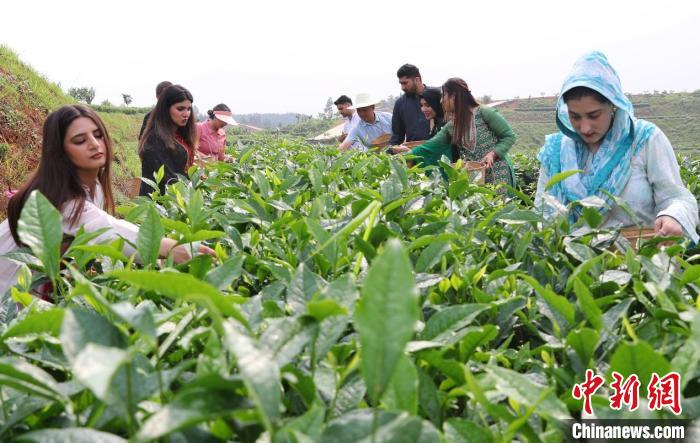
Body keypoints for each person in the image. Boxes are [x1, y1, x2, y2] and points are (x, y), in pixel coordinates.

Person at [0, 105, 215, 297]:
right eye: (80, 141)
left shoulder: (95, 186)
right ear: (60, 152)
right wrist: (171, 248)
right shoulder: (60, 199)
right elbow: (107, 229)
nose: (94, 144)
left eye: (98, 135)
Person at [535, 51, 699, 241]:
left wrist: (672, 215)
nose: (585, 128)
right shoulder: (555, 152)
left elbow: (677, 197)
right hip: (574, 263)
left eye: (594, 115)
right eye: (575, 117)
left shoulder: (643, 139)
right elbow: (542, 215)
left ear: (613, 105)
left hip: (640, 261)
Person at [395, 78, 516, 187]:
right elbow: (429, 147)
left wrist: (493, 154)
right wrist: (405, 156)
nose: (441, 101)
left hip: (499, 171)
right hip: (476, 177)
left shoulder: (484, 112)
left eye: (444, 96)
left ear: (454, 96)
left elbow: (509, 136)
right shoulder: (451, 126)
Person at [139, 84, 197, 196]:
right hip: (160, 203)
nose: (186, 114)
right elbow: (169, 180)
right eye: (180, 109)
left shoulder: (180, 134)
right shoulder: (154, 140)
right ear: (165, 109)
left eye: (189, 109)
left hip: (178, 199)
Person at [389, 64, 431, 145]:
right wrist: (388, 151)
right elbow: (397, 136)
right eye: (401, 83)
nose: (402, 87)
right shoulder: (400, 104)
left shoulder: (435, 97)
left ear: (417, 80)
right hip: (412, 152)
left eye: (405, 83)